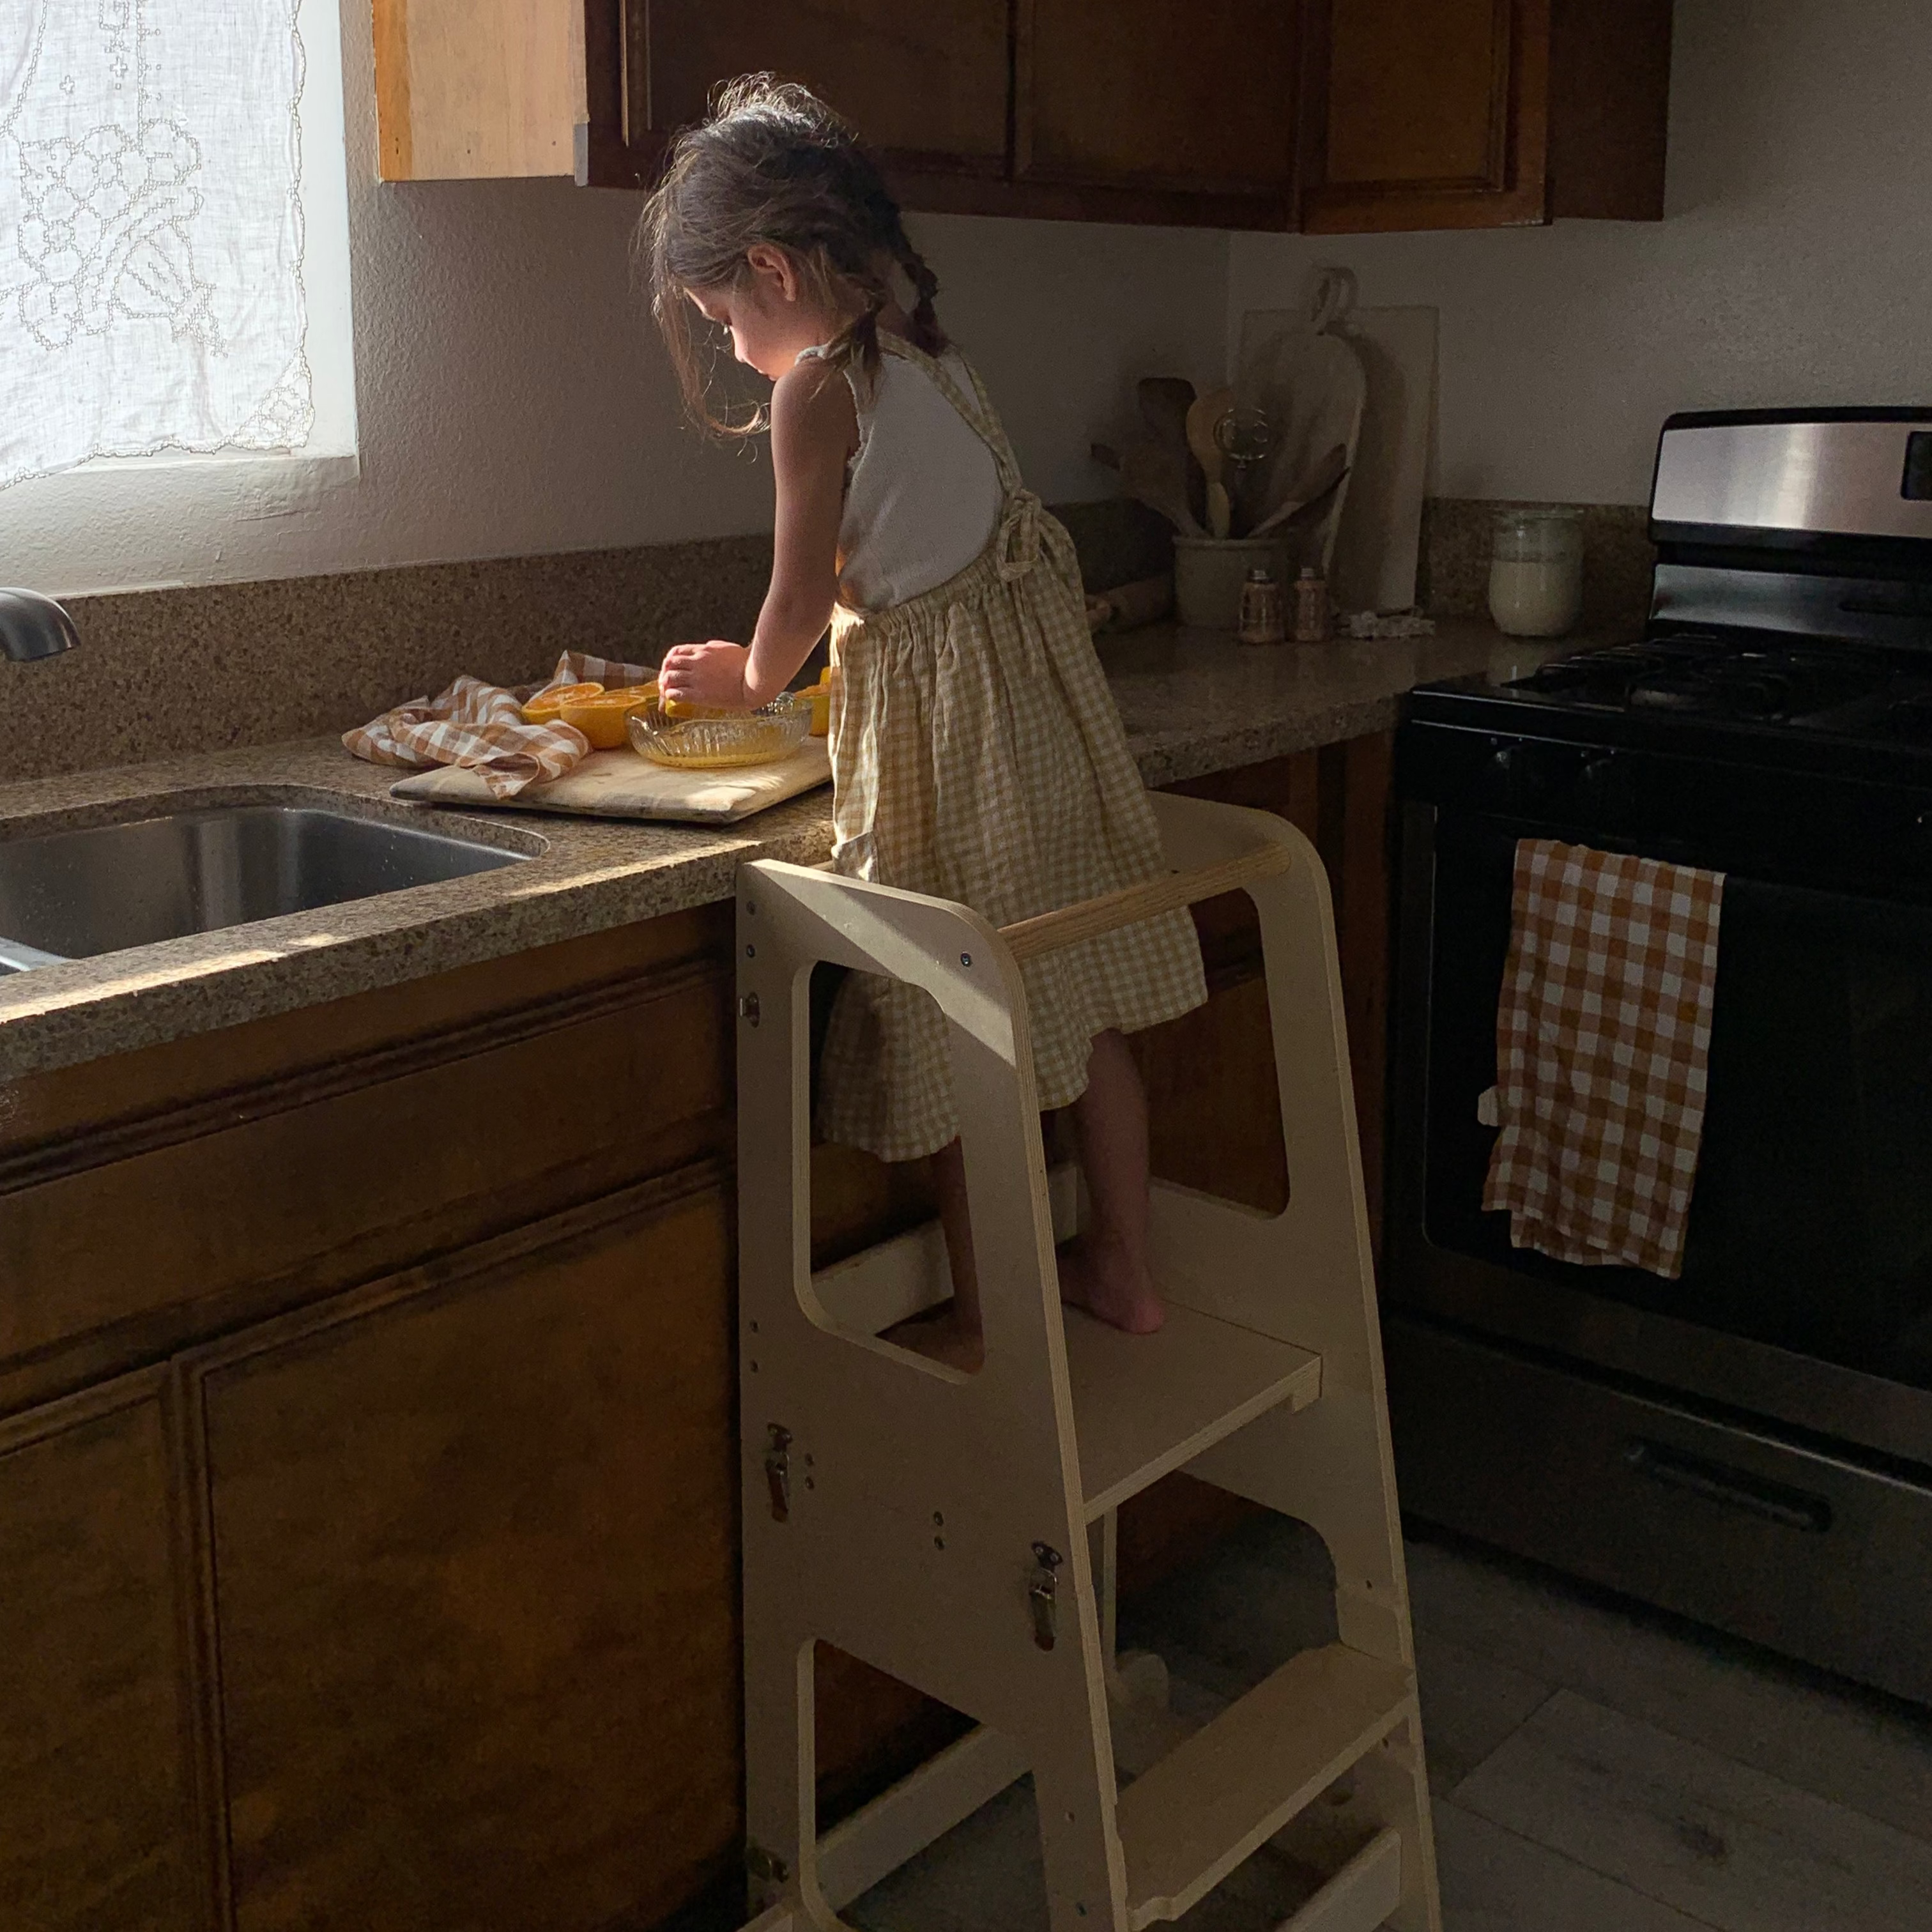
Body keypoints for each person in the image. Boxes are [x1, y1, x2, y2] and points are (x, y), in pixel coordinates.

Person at [643, 77, 1206, 1368]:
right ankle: (1124, 1269)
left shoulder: (814, 391)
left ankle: (989, 1311)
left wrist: (747, 679)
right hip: (1043, 737)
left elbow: (797, 595)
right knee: (1080, 1008)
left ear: (772, 268)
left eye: (723, 315)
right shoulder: (935, 359)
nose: (731, 345)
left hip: (950, 757)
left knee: (959, 1023)